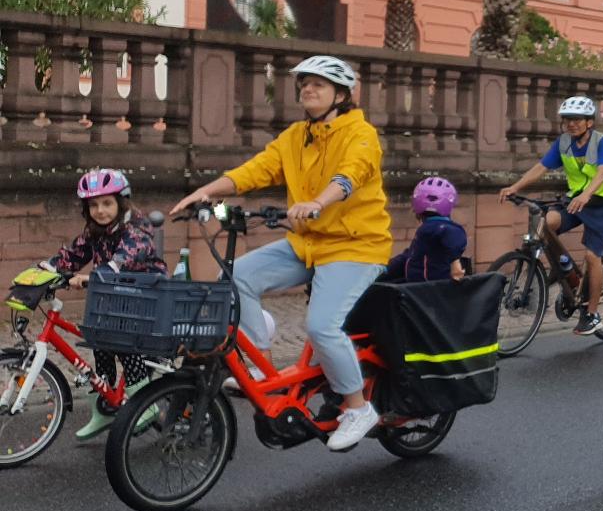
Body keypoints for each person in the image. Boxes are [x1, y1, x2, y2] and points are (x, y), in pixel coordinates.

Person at [170, 56, 393, 452]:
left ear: (341, 95)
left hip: (356, 246)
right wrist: (205, 192)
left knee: (322, 326)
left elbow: (350, 175)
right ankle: (262, 365)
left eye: (318, 85)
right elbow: (255, 170)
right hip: (306, 243)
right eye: (304, 84)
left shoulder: (361, 134)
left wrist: (318, 202)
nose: (308, 89)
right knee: (235, 278)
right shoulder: (296, 136)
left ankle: (358, 407)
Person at [50, 169, 165, 439]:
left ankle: (144, 405)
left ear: (121, 202)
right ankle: (104, 406)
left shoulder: (136, 227)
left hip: (144, 294)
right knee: (99, 341)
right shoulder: (95, 231)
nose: (100, 211)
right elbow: (72, 255)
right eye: (93, 205)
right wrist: (47, 269)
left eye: (107, 203)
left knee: (123, 342)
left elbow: (125, 258)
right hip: (114, 295)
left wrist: (94, 275)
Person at [499, 95, 603, 336]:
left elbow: (602, 173)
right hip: (576, 198)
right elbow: (541, 167)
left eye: (577, 119)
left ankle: (593, 314)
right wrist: (515, 187)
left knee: (591, 255)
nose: (571, 124)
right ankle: (564, 267)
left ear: (589, 122)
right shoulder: (563, 142)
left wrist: (586, 195)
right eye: (567, 120)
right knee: (548, 223)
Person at [386, 176, 467, 283]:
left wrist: (455, 261)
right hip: (421, 288)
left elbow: (454, 239)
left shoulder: (439, 228)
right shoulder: (430, 229)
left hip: (428, 291)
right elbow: (409, 256)